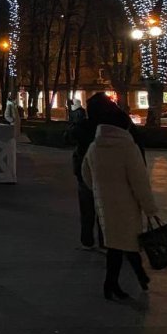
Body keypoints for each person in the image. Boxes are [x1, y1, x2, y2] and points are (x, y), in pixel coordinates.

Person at [81, 96, 157, 300]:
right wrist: (150, 208)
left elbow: (86, 174)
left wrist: (99, 190)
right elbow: (139, 181)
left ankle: (124, 280)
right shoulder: (127, 148)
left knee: (117, 243)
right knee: (126, 243)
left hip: (104, 205)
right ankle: (116, 283)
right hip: (127, 205)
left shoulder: (94, 147)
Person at [70, 97, 102, 250]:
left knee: (87, 208)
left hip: (84, 170)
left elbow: (68, 137)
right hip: (105, 173)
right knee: (104, 208)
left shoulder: (83, 125)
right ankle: (105, 240)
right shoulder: (110, 126)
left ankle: (87, 240)